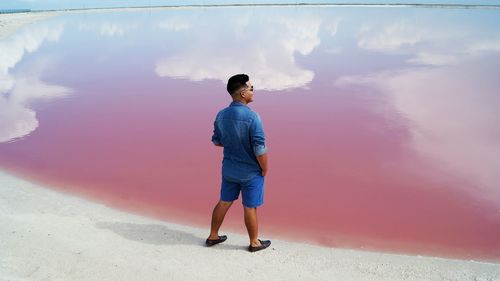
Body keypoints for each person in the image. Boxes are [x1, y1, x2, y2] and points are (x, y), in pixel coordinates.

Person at [206, 74, 271, 252]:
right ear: (242, 93)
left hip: (229, 169)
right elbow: (260, 148)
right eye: (251, 88)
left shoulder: (221, 115)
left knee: (224, 201)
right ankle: (254, 242)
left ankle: (213, 235)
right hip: (250, 172)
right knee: (250, 207)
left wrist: (233, 141)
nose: (253, 91)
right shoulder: (253, 117)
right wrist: (265, 169)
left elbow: (217, 141)